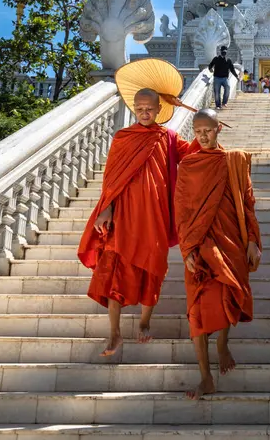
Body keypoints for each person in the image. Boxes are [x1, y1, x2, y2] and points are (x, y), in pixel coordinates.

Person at [78, 88, 197, 357]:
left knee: (153, 268)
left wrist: (196, 115)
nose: (145, 113)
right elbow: (111, 176)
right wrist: (106, 208)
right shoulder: (123, 137)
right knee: (113, 272)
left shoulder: (167, 137)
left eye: (150, 109)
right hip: (122, 215)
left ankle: (144, 323)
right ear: (134, 108)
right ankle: (114, 333)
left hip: (155, 216)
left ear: (158, 110)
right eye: (140, 108)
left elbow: (194, 153)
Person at [175, 108, 262, 400]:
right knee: (197, 311)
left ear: (218, 128)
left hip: (231, 242)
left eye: (208, 130)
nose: (202, 135)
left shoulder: (234, 161)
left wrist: (252, 240)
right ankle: (205, 377)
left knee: (227, 297)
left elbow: (248, 204)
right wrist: (186, 248)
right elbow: (182, 211)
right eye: (197, 130)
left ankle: (223, 343)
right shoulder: (187, 166)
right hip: (199, 245)